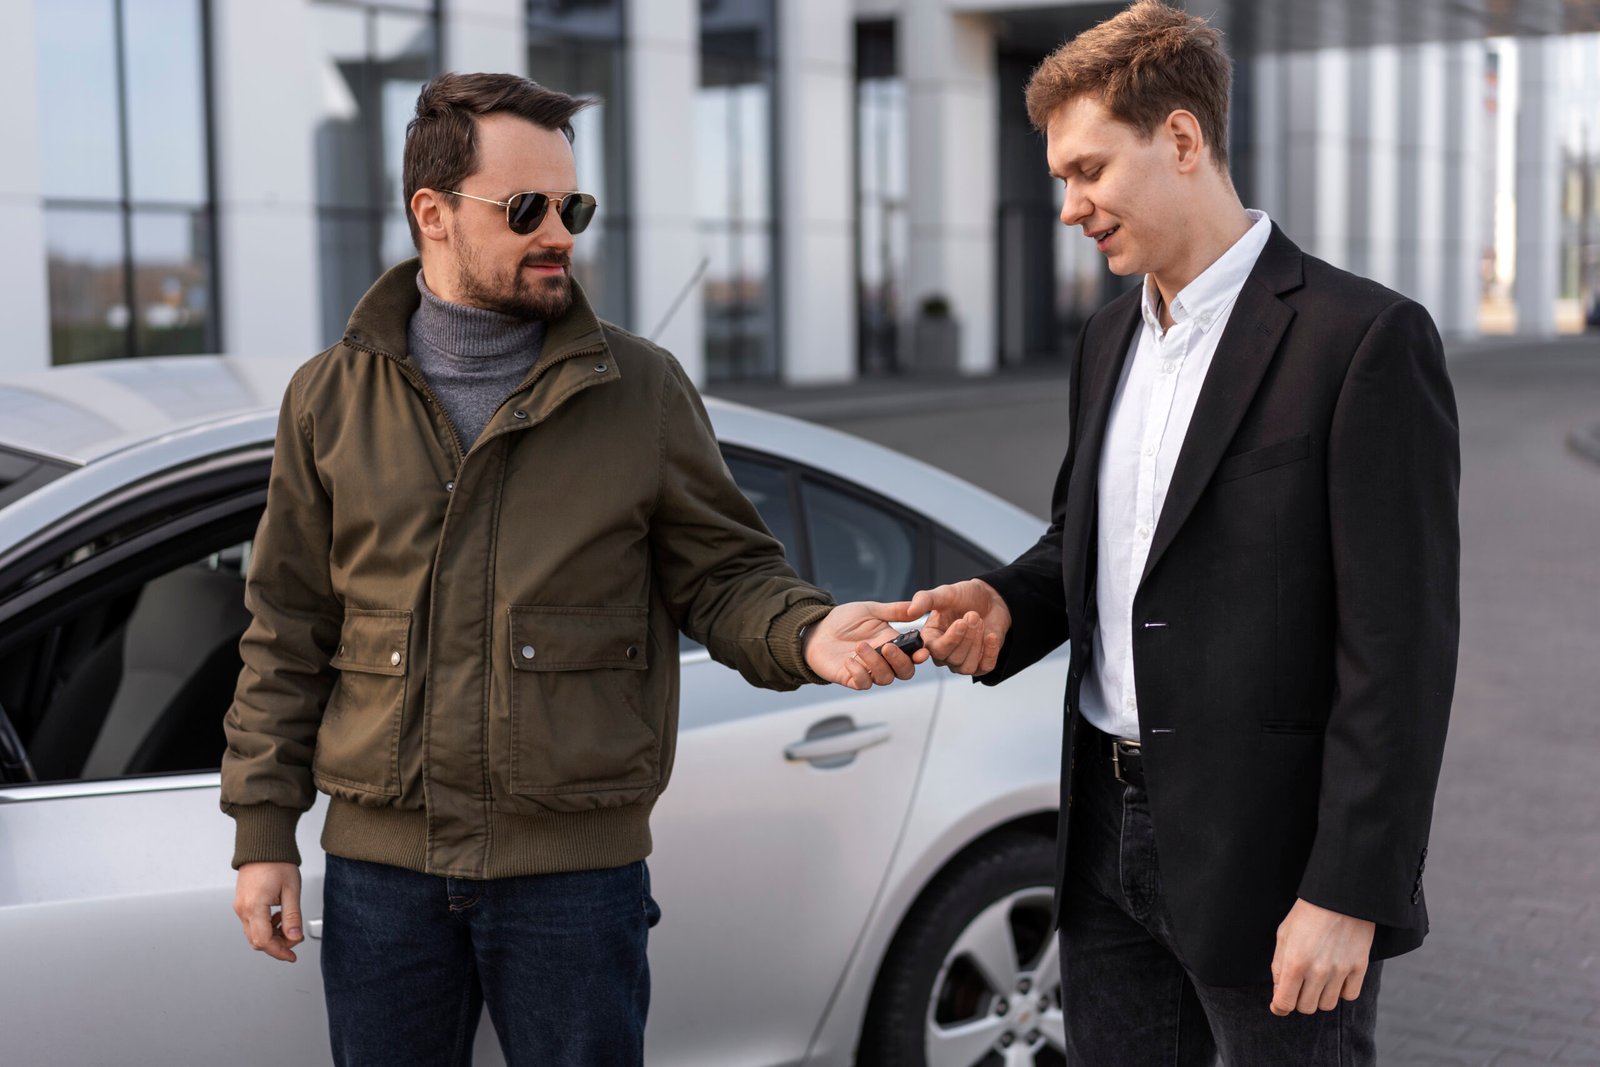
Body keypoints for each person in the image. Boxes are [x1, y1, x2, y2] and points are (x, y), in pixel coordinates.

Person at [221, 72, 931, 1067]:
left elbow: (725, 573)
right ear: (432, 212)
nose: (559, 230)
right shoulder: (331, 397)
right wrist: (263, 830)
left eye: (572, 206)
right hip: (383, 874)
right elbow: (287, 625)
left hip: (572, 878)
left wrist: (809, 632)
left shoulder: (637, 388)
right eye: (525, 209)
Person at [911, 3, 1460, 1063]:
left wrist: (1348, 890)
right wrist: (1005, 607)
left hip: (1272, 861)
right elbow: (1089, 544)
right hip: (1103, 844)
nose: (1068, 206)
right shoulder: (1109, 336)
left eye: (1086, 171)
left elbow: (1399, 651)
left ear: (1178, 139)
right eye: (1061, 178)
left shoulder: (1363, 340)